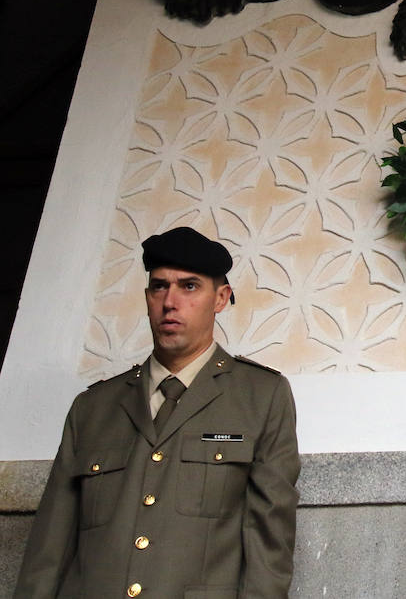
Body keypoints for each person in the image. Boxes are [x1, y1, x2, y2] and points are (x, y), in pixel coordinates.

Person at [15, 226, 300, 598]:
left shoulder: (261, 397)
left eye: (190, 286)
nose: (170, 301)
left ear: (221, 297)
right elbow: (48, 549)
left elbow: (269, 550)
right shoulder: (93, 408)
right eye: (159, 286)